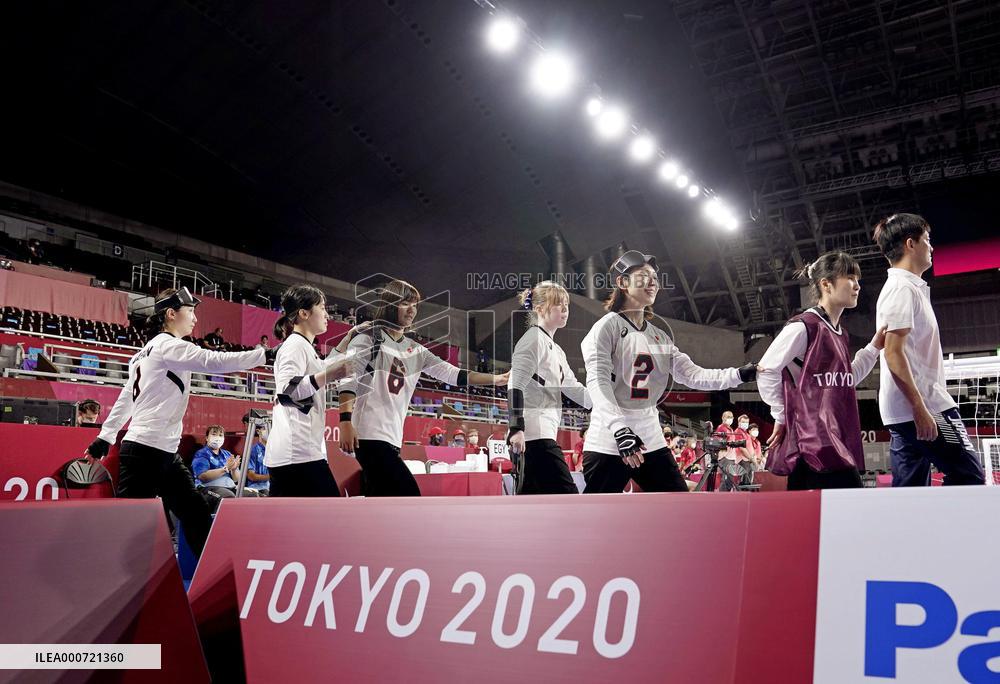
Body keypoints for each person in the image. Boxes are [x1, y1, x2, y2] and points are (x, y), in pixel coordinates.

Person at [84, 287, 272, 558]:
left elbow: (127, 398)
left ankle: (212, 580)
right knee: (132, 529)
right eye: (191, 311)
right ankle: (120, 590)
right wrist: (263, 355)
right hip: (145, 452)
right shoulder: (167, 345)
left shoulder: (143, 354)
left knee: (194, 511)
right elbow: (212, 360)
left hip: (161, 452)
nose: (195, 318)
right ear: (171, 314)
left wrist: (105, 437)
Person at [581, 251, 758, 493]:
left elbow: (692, 374)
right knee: (597, 521)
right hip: (610, 442)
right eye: (643, 276)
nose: (653, 282)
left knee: (679, 509)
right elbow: (597, 381)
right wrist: (619, 429)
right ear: (622, 283)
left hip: (651, 440)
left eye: (655, 277)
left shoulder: (659, 336)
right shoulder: (605, 328)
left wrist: (737, 375)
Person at [337, 279, 508, 496]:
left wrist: (497, 379)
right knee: (408, 496)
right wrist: (344, 422)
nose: (412, 310)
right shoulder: (367, 338)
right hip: (368, 435)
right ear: (390, 305)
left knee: (381, 502)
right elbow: (349, 380)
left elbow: (452, 374)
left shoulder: (415, 350)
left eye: (415, 304)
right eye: (405, 303)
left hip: (392, 438)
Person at [873, 214, 985, 486]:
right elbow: (892, 353)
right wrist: (919, 407)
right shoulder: (902, 289)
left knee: (911, 494)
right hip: (927, 407)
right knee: (970, 477)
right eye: (927, 240)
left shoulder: (908, 288)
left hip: (905, 411)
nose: (932, 247)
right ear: (911, 244)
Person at [758, 252, 885, 489]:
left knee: (813, 519)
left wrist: (874, 348)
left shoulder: (839, 333)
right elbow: (765, 370)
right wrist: (780, 414)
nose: (857, 285)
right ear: (826, 284)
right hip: (811, 442)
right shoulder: (804, 326)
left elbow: (847, 379)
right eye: (850, 277)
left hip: (832, 438)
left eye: (858, 279)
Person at [265, 285, 366, 497]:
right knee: (329, 521)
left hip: (296, 455)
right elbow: (286, 392)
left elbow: (322, 368)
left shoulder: (304, 346)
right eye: (322, 307)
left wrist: (348, 338)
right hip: (297, 456)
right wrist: (330, 375)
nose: (327, 314)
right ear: (303, 313)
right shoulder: (295, 346)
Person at [507, 281, 591, 494]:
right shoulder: (532, 340)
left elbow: (574, 388)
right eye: (558, 305)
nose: (565, 310)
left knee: (533, 501)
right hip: (535, 437)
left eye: (566, 305)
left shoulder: (557, 350)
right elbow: (515, 384)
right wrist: (516, 428)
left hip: (542, 436)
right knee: (568, 495)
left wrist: (609, 404)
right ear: (539, 309)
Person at [191, 425, 257, 499]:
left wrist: (234, 469)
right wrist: (225, 469)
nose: (217, 438)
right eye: (214, 434)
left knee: (252, 495)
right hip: (208, 488)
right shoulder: (202, 454)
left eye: (220, 435)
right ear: (206, 438)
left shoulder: (227, 454)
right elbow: (203, 476)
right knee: (228, 497)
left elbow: (236, 479)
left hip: (230, 486)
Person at [245, 422, 270, 496]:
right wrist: (272, 476)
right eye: (265, 428)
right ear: (258, 431)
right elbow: (251, 476)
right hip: (257, 489)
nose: (269, 430)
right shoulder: (252, 450)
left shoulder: (275, 450)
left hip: (273, 488)